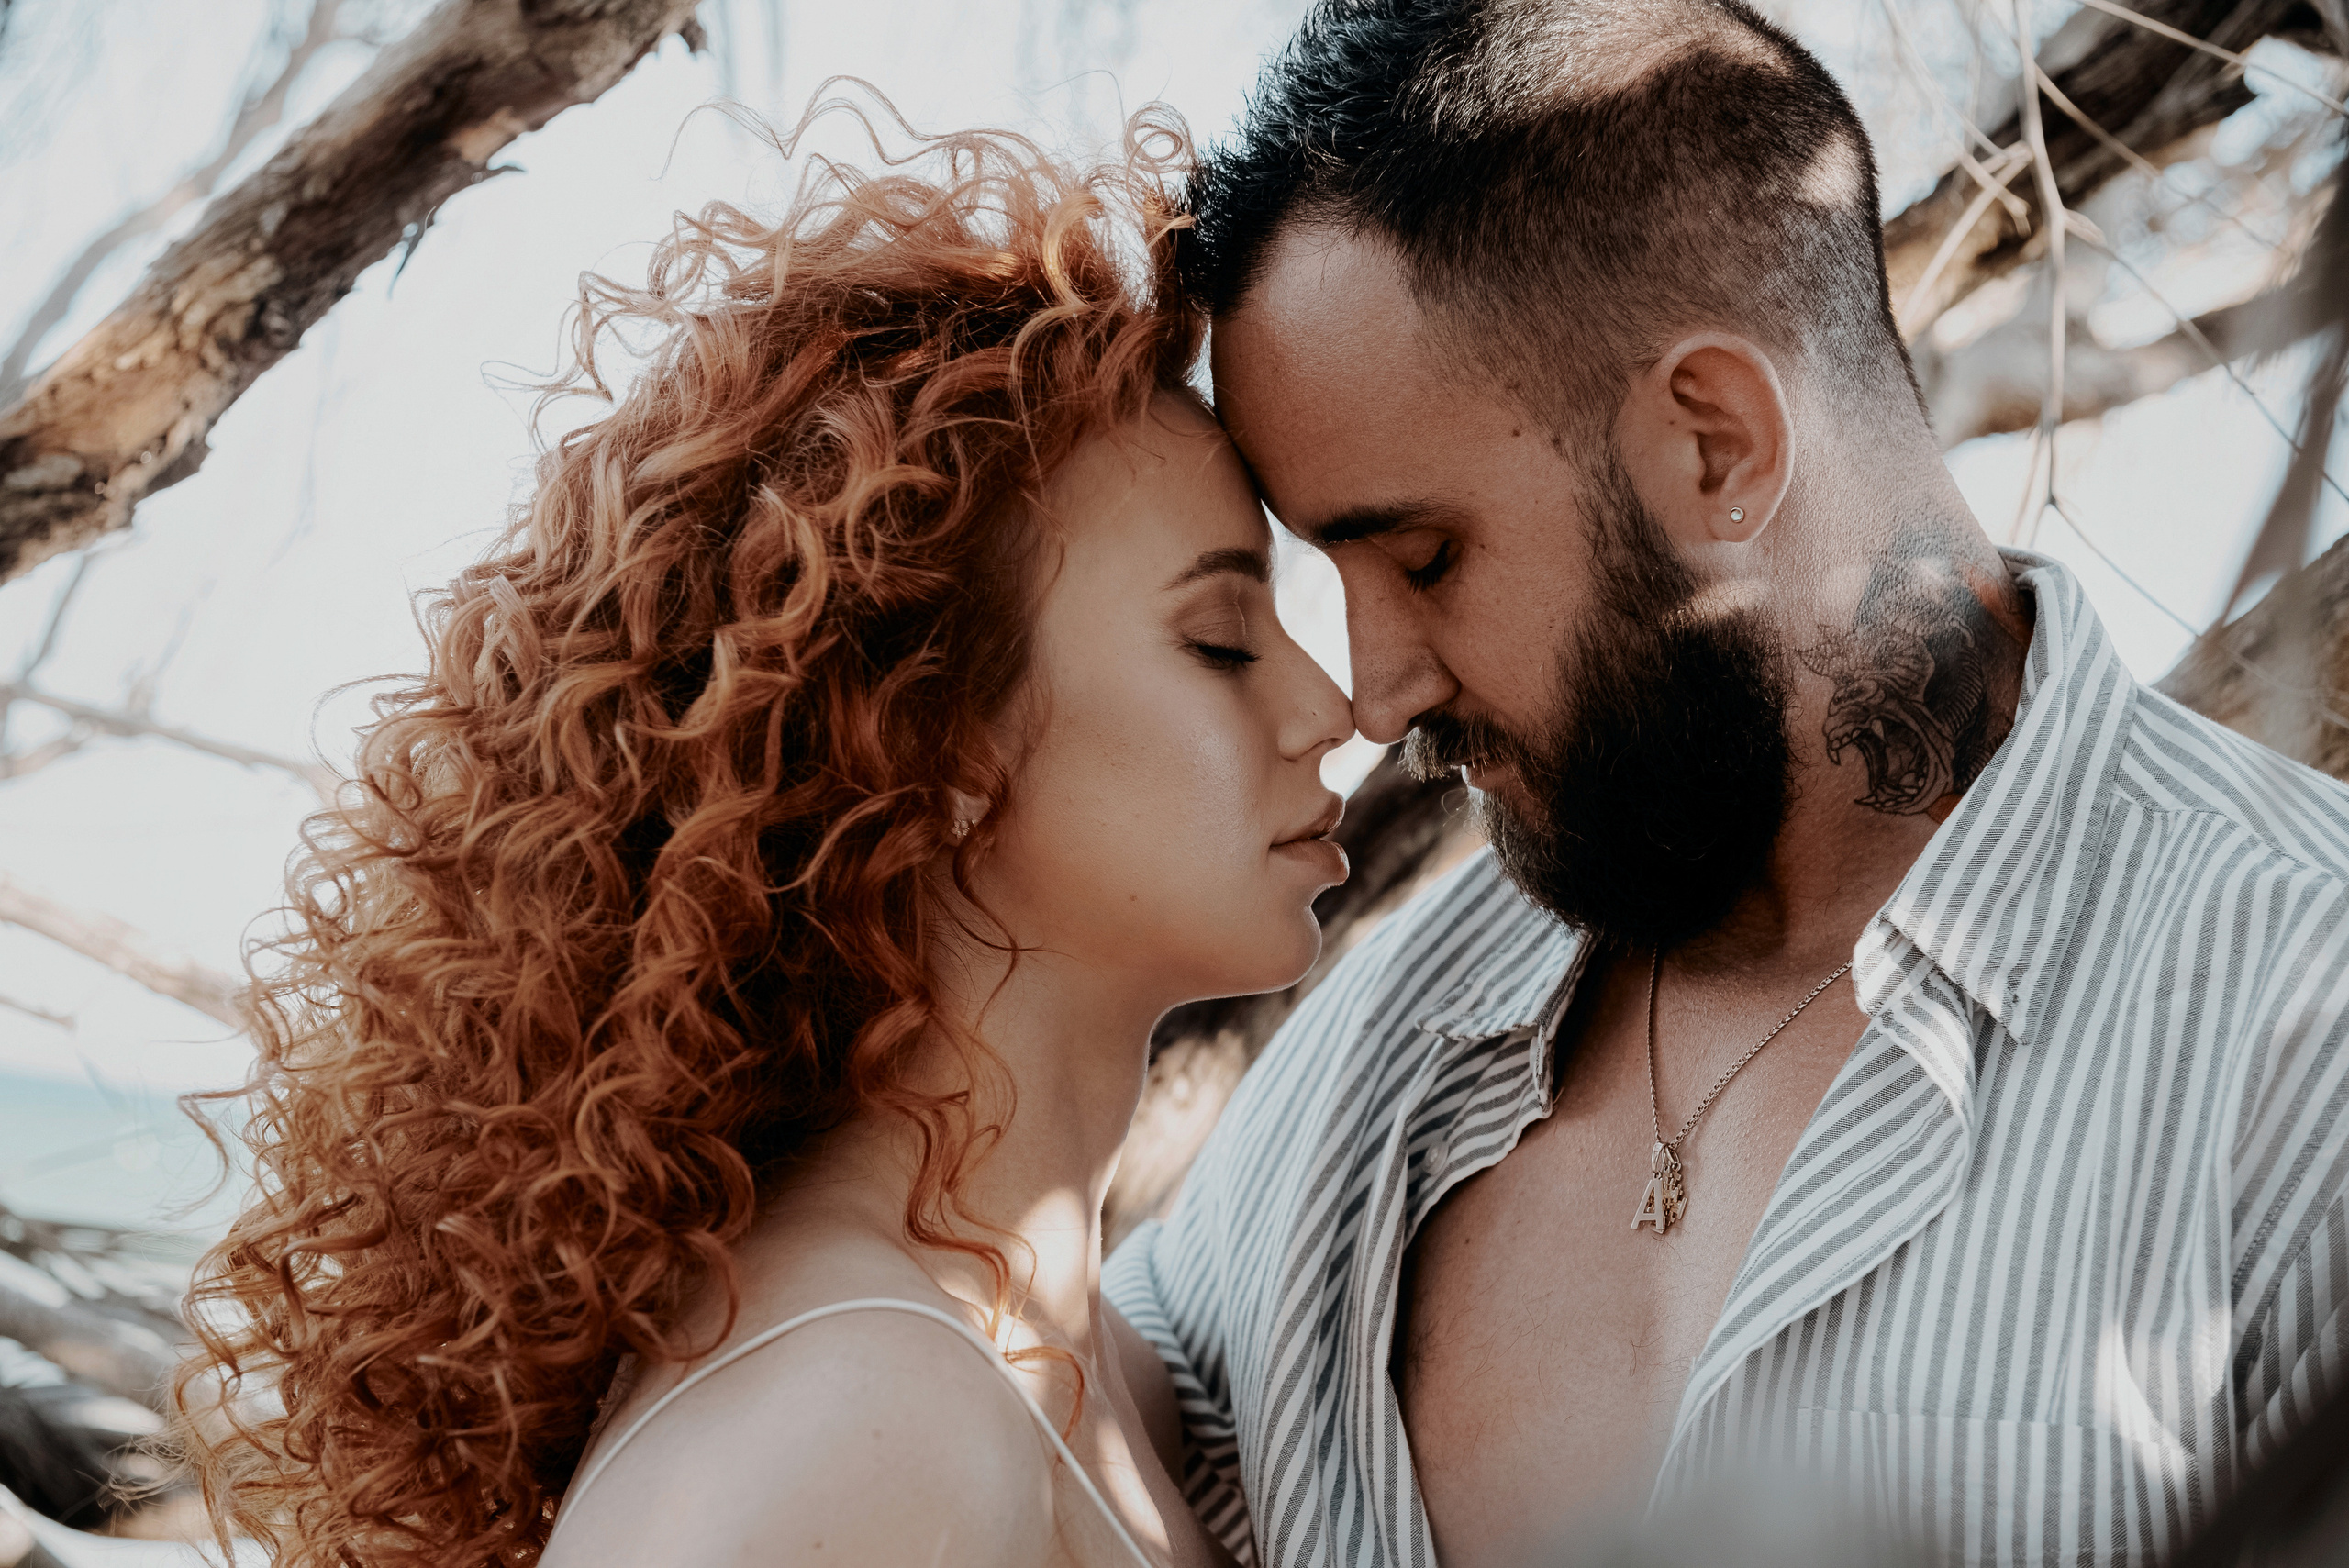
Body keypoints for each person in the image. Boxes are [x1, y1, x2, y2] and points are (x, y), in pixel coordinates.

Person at [1103, 2, 2349, 1564]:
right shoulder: (1383, 1051)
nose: (1374, 688)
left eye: (1423, 556)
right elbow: (1027, 1408)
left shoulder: (2308, 1041)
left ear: (1717, 445)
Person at [173, 106, 1351, 1568]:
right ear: (933, 741)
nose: (1335, 703)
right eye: (1225, 639)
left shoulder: (1068, 1348)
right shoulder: (861, 1422)